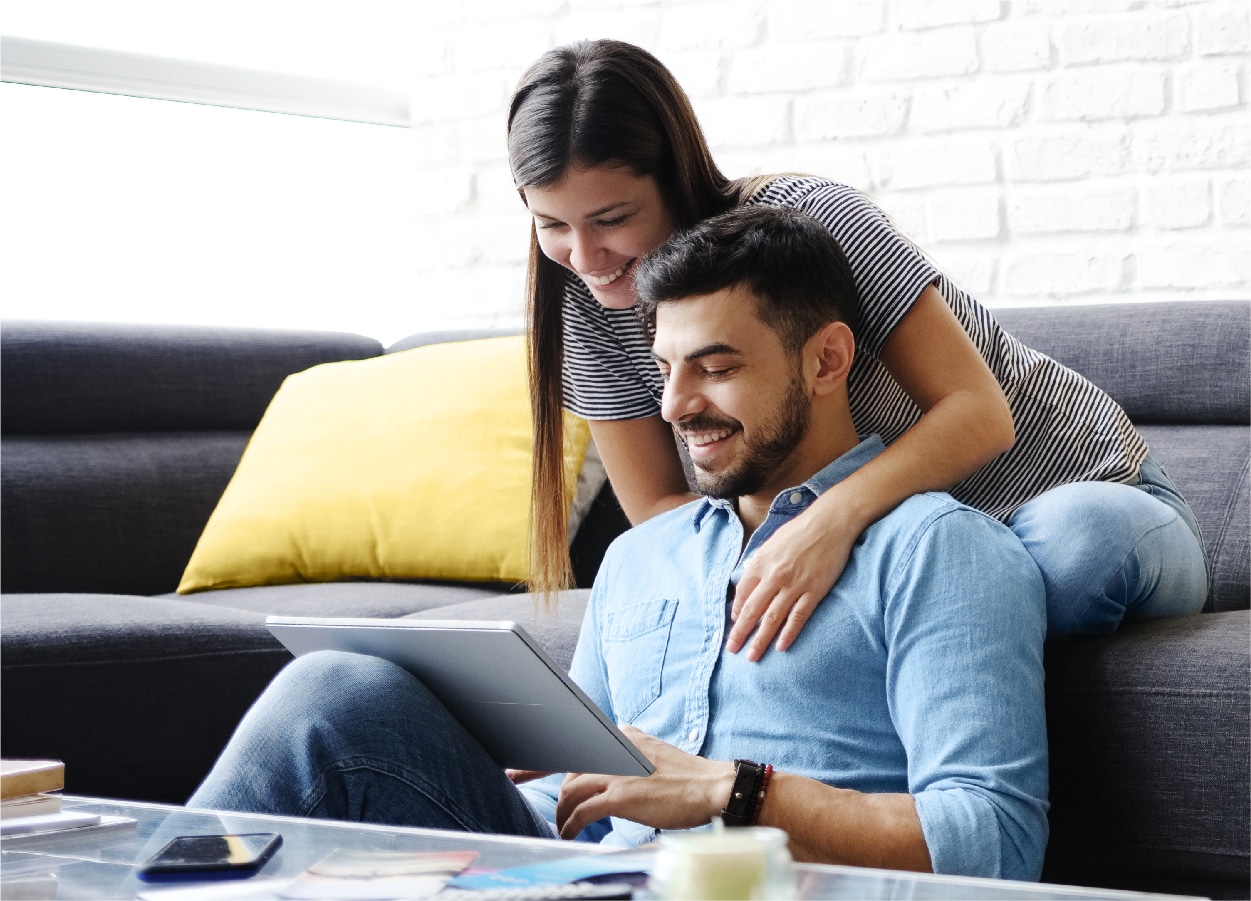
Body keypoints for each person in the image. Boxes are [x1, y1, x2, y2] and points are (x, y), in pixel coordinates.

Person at [189, 206, 1050, 881]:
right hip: (584, 874)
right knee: (336, 687)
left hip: (752, 884)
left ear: (826, 361)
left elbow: (996, 840)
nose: (675, 406)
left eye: (715, 367)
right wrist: (528, 768)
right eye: (664, 369)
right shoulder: (644, 556)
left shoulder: (939, 550)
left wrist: (735, 790)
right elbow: (584, 798)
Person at [510, 39, 1208, 657]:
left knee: (1070, 555)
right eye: (551, 225)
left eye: (611, 219)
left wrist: (827, 526)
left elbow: (978, 414)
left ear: (674, 175)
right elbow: (661, 511)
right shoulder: (585, 307)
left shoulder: (813, 221)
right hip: (903, 556)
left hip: (1070, 496)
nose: (584, 254)